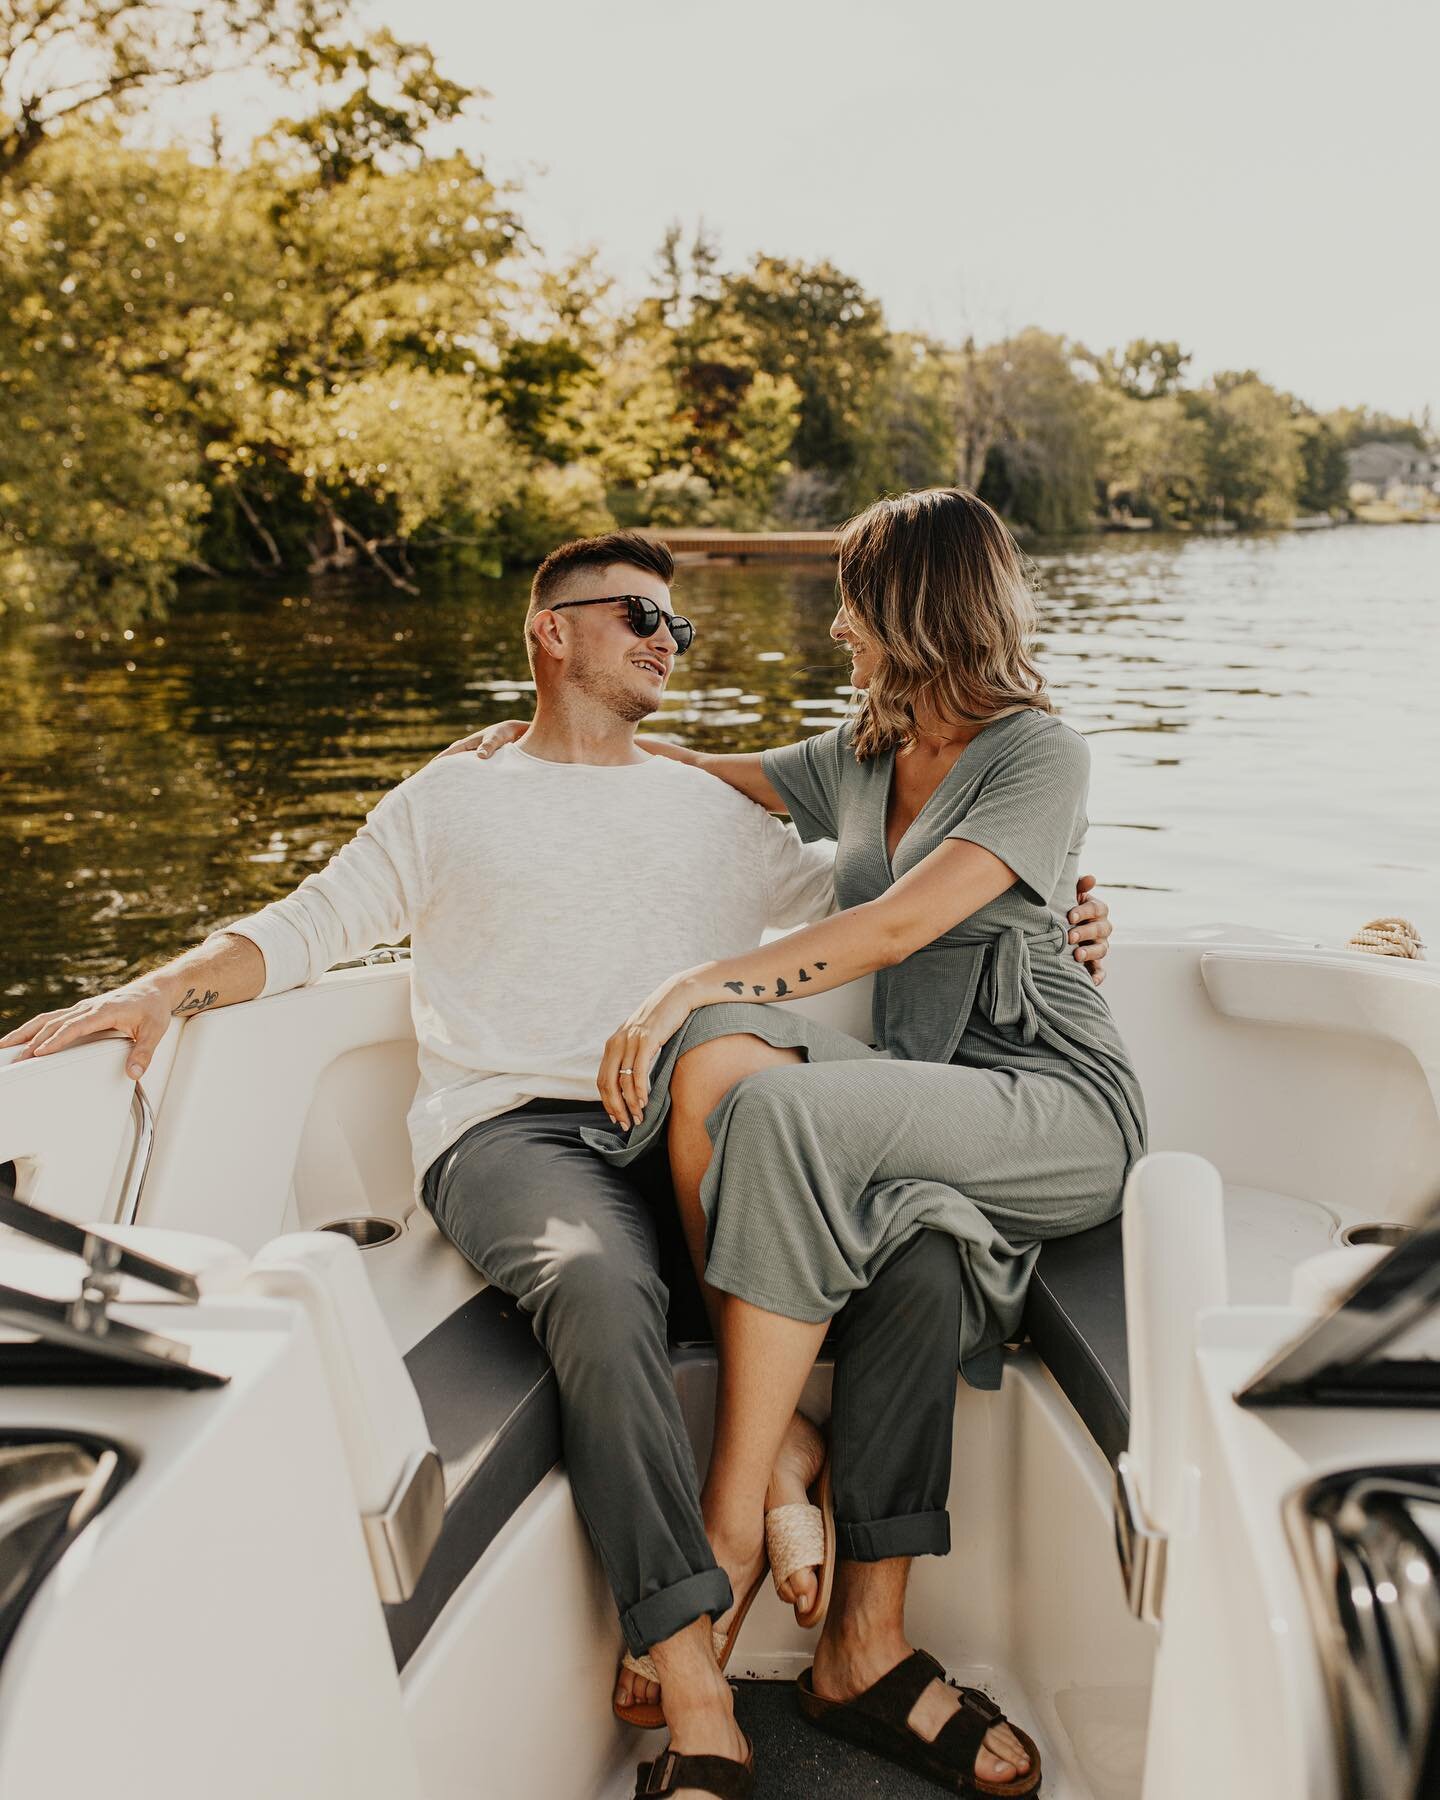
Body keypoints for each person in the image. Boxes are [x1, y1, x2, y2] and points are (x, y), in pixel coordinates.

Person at [2, 528, 1113, 1800]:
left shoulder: (710, 808)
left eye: (677, 627)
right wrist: (166, 985)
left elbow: (886, 909)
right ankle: (695, 1681)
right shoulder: (452, 795)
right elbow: (307, 925)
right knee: (596, 1285)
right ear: (552, 631)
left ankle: (864, 1642)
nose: (665, 641)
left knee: (917, 1257)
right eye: (638, 615)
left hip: (691, 1126)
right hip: (518, 1131)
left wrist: (1064, 909)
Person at [581, 489, 1146, 1797]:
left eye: (853, 595)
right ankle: (832, 1589)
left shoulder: (1037, 754)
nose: (837, 622)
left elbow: (894, 931)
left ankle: (725, 1539)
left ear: (910, 605)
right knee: (721, 1057)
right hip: (917, 1090)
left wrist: (685, 977)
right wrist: (553, 733)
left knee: (745, 1063)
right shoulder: (857, 753)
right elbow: (701, 780)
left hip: (1052, 1100)